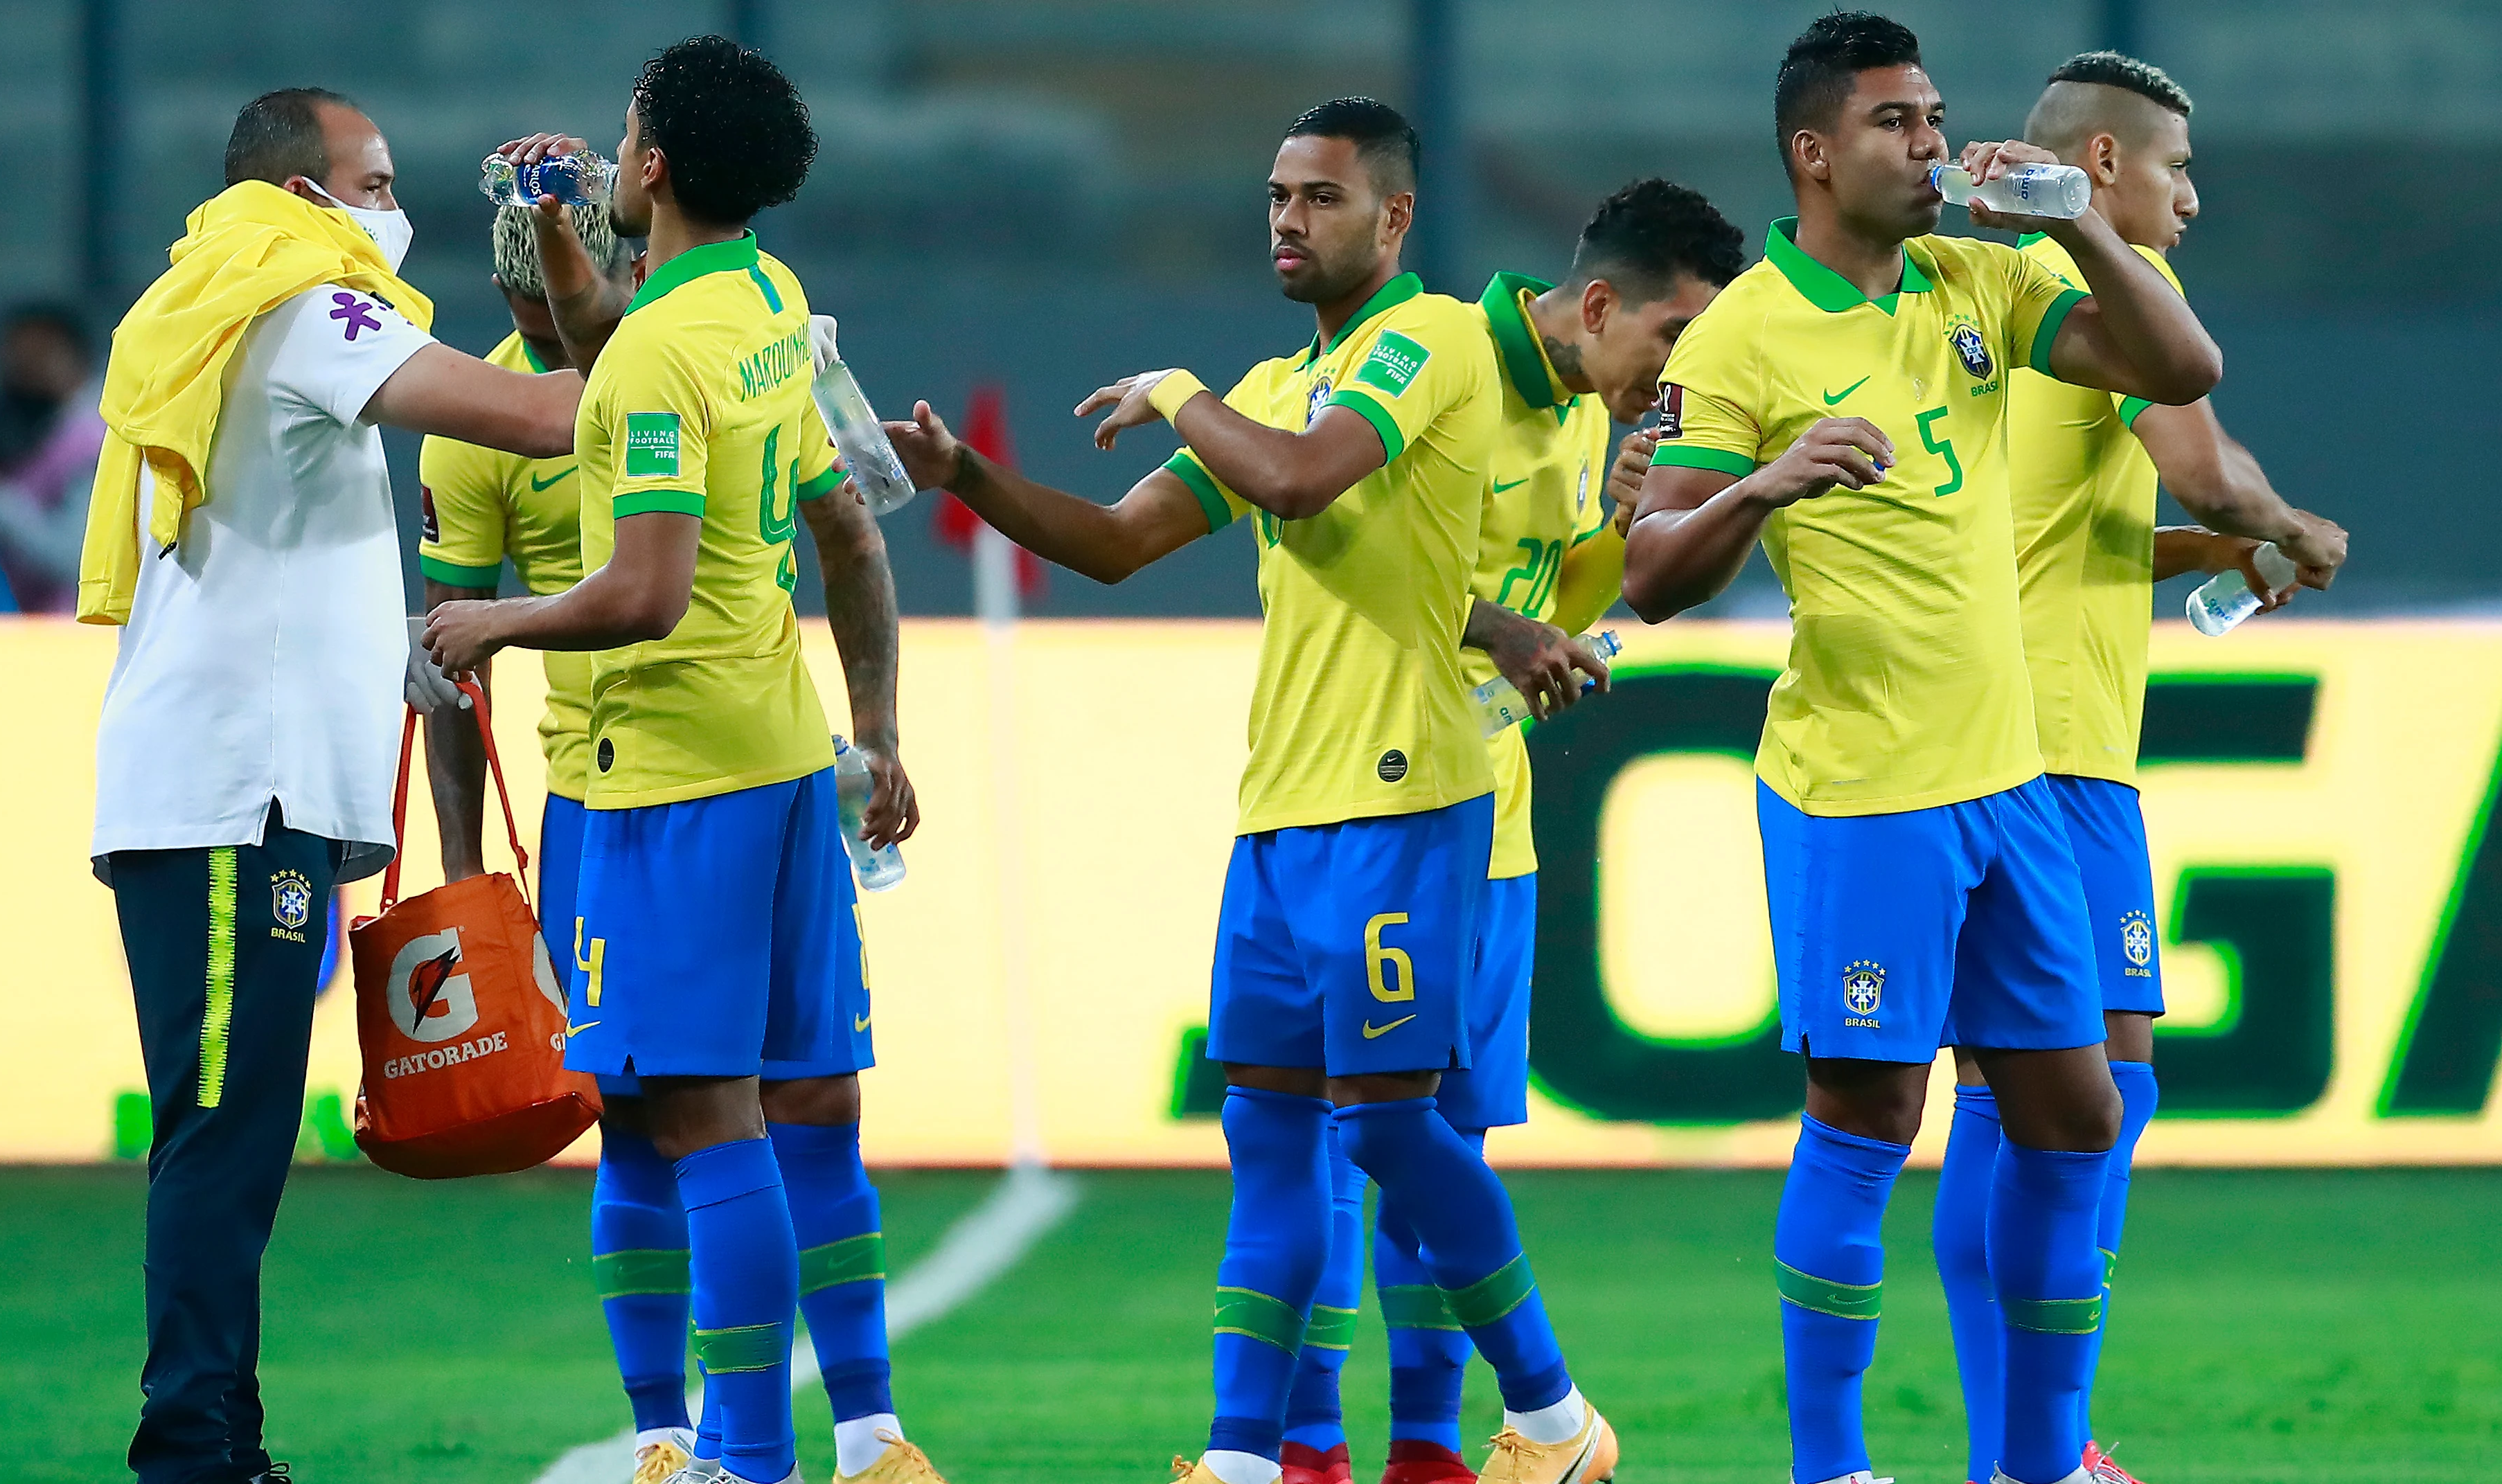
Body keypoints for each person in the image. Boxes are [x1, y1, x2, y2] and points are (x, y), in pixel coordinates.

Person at [885, 97, 1615, 1484]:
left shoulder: (1426, 338)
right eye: (1276, 195)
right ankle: (1241, 1456)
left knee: (1391, 1126)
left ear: (1392, 219)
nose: (1286, 219)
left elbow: (1294, 483)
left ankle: (1551, 1417)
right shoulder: (1280, 384)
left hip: (1406, 800)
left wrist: (1171, 390)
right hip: (1282, 814)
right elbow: (1108, 543)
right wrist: (969, 475)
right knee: (1269, 1138)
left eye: (1319, 198)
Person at [1621, 11, 2226, 1484]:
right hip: (1863, 786)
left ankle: (2032, 1464)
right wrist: (1763, 483)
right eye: (1896, 123)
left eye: (1935, 117)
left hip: (2007, 781)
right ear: (1813, 152)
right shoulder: (1743, 333)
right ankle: (1828, 1465)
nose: (1930, 144)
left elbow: (2178, 363)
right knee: (1871, 1112)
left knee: (2075, 1113)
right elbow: (1647, 570)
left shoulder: (1970, 279)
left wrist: (2079, 222)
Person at [421, 37, 921, 1484]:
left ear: (650, 165)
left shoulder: (648, 353)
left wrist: (489, 625)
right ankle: (762, 1441)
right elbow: (626, 360)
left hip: (661, 775)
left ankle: (745, 1457)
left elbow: (639, 589)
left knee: (706, 1124)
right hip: (769, 761)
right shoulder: (764, 301)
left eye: (622, 129)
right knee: (707, 1108)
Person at [86, 85, 590, 1484]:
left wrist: (390, 654)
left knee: (231, 1133)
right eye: (374, 181)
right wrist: (701, 348)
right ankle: (191, 1445)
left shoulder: (207, 311)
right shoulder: (303, 305)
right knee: (223, 1141)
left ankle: (223, 1438)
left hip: (221, 796)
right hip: (235, 804)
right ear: (306, 196)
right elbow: (541, 417)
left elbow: (274, 549)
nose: (392, 206)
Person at [1278, 179, 1746, 1484]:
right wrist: (1505, 629)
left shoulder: (1571, 415)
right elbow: (1352, 545)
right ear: (1597, 303)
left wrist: (1605, 532)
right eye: (1666, 346)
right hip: (1367, 799)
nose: (1670, 383)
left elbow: (1564, 591)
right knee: (1338, 1129)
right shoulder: (1431, 357)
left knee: (1433, 1143)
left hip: (1488, 819)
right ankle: (1316, 1433)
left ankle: (1427, 1447)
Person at [1931, 50, 2350, 1484]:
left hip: (1991, 733)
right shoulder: (2095, 298)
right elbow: (2207, 467)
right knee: (2099, 1088)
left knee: (2004, 1089)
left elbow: (2074, 527)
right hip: (2055, 751)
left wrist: (2217, 554)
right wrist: (2283, 526)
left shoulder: (1982, 294)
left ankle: (2027, 1448)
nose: (2191, 190)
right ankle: (2036, 1451)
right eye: (2171, 165)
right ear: (2100, 168)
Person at [0, 303, 105, 612]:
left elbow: (76, 559)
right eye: (16, 365)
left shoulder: (96, 436)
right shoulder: (42, 431)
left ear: (74, 358)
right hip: (28, 623)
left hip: (76, 632)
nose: (24, 376)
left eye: (37, 361)